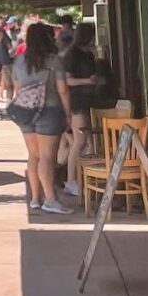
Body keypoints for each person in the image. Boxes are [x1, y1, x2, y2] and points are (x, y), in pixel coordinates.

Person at [11, 21, 74, 213]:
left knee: (33, 155)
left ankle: (35, 199)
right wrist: (68, 113)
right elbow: (62, 90)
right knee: (47, 157)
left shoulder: (19, 61)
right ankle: (50, 199)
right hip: (49, 110)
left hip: (25, 111)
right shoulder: (54, 61)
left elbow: (17, 89)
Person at [58, 22, 105, 198]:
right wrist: (88, 81)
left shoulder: (88, 54)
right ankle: (70, 181)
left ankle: (77, 178)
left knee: (84, 141)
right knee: (79, 142)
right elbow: (68, 81)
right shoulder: (74, 55)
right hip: (78, 102)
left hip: (90, 99)